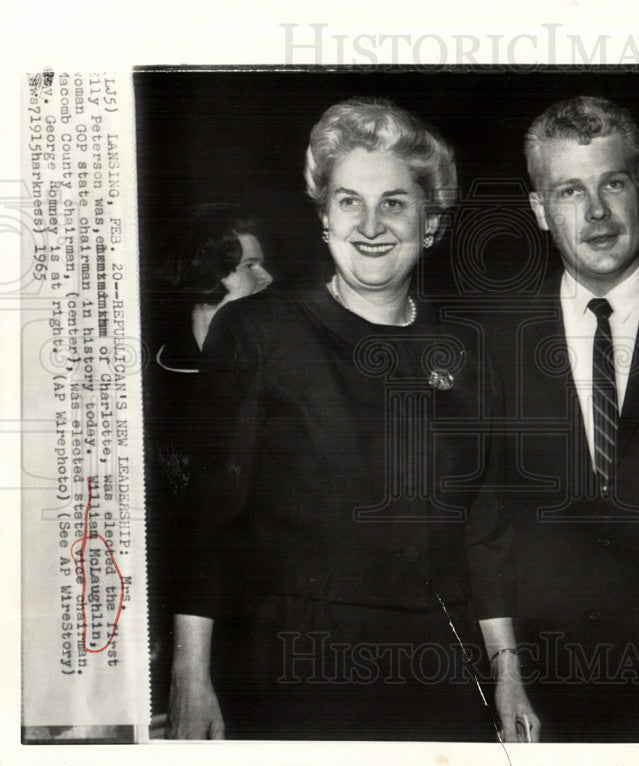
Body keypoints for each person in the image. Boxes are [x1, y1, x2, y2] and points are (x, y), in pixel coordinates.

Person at [167, 99, 538, 741]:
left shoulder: (472, 355)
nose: (370, 224)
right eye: (348, 201)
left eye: (394, 202)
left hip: (438, 665)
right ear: (324, 217)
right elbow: (210, 526)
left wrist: (508, 674)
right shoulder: (258, 332)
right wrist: (190, 676)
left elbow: (487, 534)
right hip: (293, 665)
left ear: (431, 223)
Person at [489, 96, 639, 741]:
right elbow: (482, 525)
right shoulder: (493, 341)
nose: (597, 212)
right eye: (569, 191)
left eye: (613, 184)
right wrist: (507, 673)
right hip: (539, 696)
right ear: (540, 211)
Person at [143, 204, 272, 719]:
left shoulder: (268, 373)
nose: (268, 277)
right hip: (171, 632)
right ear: (204, 275)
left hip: (254, 633)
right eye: (250, 266)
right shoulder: (148, 382)